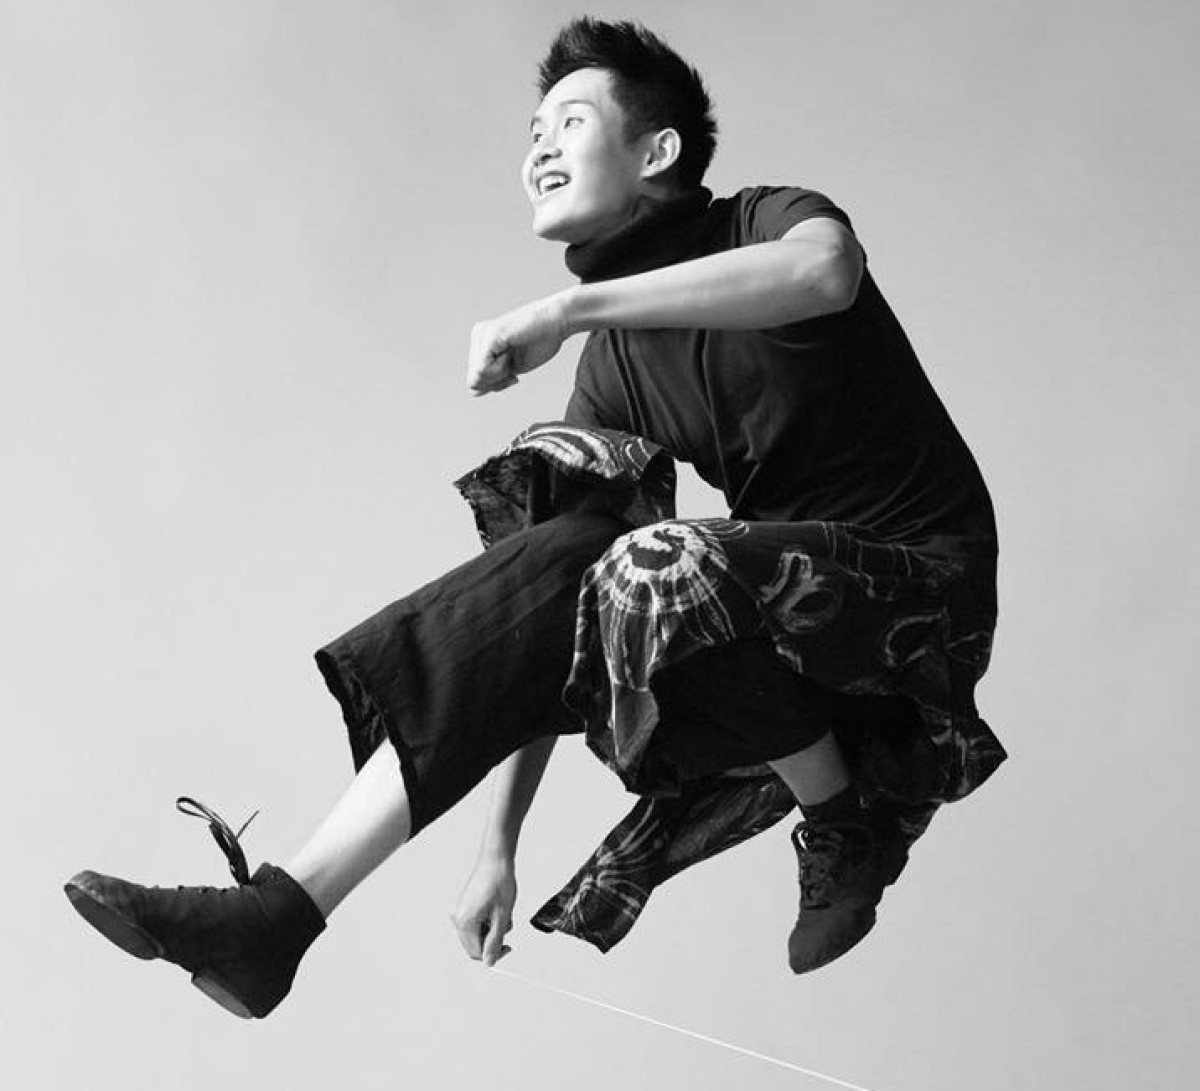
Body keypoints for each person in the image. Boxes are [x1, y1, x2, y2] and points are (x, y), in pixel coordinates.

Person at [64, 18, 1005, 1019]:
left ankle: (842, 820)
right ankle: (278, 918)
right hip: (781, 628)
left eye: (571, 123)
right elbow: (544, 622)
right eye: (533, 133)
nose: (539, 152)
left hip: (917, 592)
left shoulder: (763, 220)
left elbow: (825, 275)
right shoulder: (613, 370)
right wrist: (496, 848)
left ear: (658, 151)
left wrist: (564, 312)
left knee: (648, 565)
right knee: (573, 548)